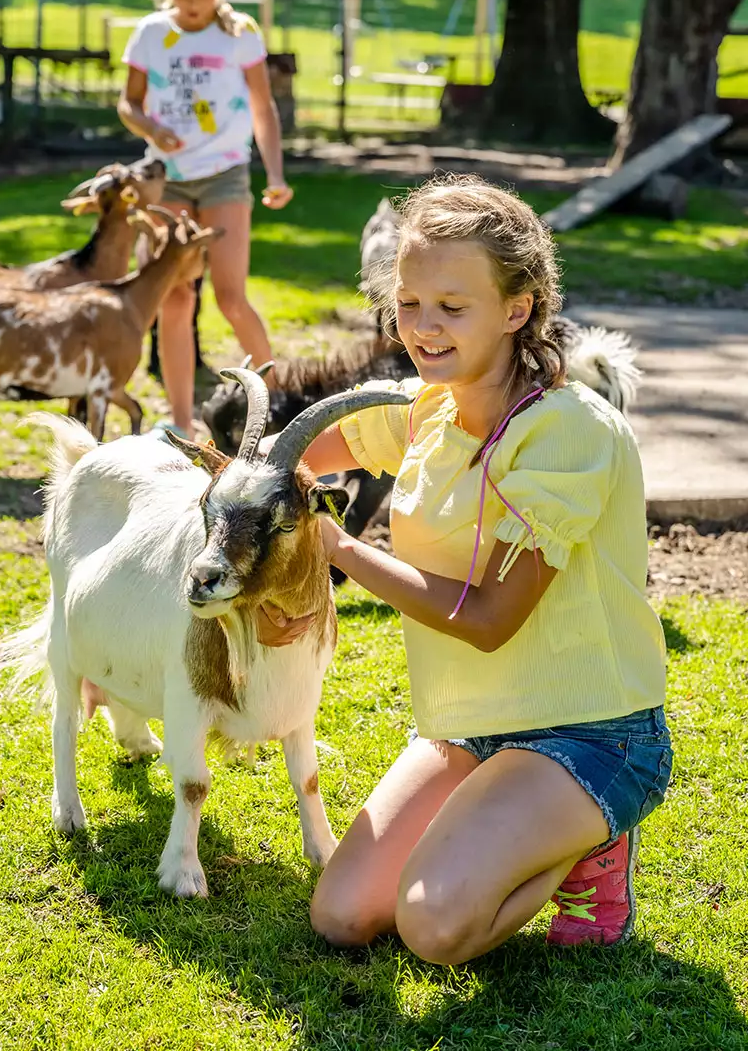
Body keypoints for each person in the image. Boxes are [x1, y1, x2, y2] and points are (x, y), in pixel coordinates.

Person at [263, 175, 672, 963]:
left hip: (592, 732)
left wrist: (341, 551)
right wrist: (269, 538)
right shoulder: (430, 409)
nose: (423, 327)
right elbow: (297, 460)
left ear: (517, 310)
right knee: (342, 916)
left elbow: (489, 619)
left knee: (433, 929)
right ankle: (507, 821)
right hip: (469, 728)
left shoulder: (568, 432)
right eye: (410, 303)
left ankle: (592, 842)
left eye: (452, 307)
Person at [117, 0, 292, 438]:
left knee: (230, 297)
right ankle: (179, 422)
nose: (194, 5)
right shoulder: (151, 34)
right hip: (165, 180)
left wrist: (275, 172)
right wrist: (150, 127)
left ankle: (283, 408)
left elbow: (262, 108)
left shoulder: (240, 34)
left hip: (224, 175)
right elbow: (128, 103)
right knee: (174, 296)